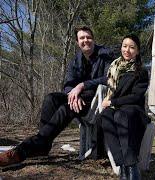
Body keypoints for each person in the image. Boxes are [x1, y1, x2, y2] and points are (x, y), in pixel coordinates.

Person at [0, 26, 114, 167]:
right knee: (51, 98)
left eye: (88, 37)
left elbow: (109, 78)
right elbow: (67, 84)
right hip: (77, 99)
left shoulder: (106, 54)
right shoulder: (75, 61)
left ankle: (21, 151)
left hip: (95, 102)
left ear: (93, 39)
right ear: (77, 42)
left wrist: (82, 85)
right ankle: (43, 146)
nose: (86, 40)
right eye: (82, 38)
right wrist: (72, 93)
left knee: (66, 108)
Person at [97, 34, 149, 180]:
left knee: (121, 116)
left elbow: (136, 97)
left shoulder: (141, 71)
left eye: (132, 47)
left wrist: (112, 102)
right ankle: (123, 165)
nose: (127, 50)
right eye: (125, 46)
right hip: (116, 109)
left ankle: (131, 168)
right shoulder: (114, 68)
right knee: (104, 116)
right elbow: (100, 82)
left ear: (137, 51)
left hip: (133, 109)